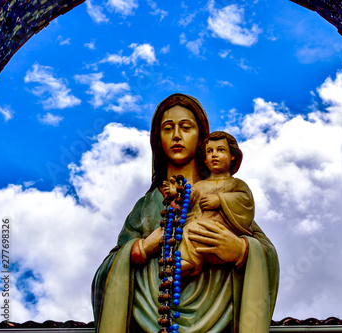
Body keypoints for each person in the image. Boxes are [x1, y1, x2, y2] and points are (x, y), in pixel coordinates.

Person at [92, 93, 279, 333]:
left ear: (201, 138)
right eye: (168, 128)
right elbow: (106, 275)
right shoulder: (145, 207)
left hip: (217, 317)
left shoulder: (223, 195)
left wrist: (240, 250)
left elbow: (265, 253)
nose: (177, 136)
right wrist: (143, 248)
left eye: (186, 127)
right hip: (150, 318)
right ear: (157, 139)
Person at [163, 131, 255, 277]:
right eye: (209, 151)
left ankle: (190, 261)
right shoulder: (200, 185)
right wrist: (177, 192)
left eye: (221, 150)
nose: (214, 155)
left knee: (192, 229)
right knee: (187, 231)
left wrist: (220, 200)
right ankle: (190, 262)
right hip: (196, 233)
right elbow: (190, 197)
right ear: (204, 160)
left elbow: (245, 200)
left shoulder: (236, 184)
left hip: (219, 234)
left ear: (233, 156)